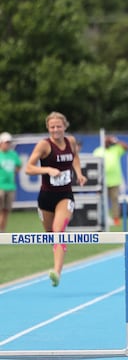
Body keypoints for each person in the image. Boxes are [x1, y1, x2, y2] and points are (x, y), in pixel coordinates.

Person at [24, 112, 88, 287]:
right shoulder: (44, 145)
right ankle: (58, 259)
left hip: (65, 195)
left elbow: (74, 157)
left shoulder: (71, 141)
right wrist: (47, 170)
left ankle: (57, 272)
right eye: (52, 127)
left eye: (58, 126)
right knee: (51, 235)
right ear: (48, 128)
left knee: (58, 231)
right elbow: (28, 168)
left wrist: (79, 174)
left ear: (65, 127)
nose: (55, 130)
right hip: (45, 198)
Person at [93, 135, 128, 227]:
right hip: (101, 181)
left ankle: (116, 219)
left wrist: (116, 142)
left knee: (115, 200)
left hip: (114, 180)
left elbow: (126, 147)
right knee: (101, 201)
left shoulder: (116, 149)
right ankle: (102, 218)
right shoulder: (98, 151)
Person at [0, 132, 23, 232]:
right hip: (0, 186)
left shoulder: (13, 154)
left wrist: (14, 172)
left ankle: (2, 231)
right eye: (6, 142)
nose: (7, 144)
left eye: (9, 142)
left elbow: (19, 165)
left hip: (11, 186)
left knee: (6, 211)